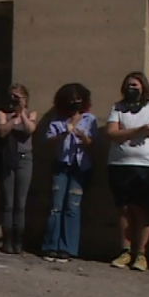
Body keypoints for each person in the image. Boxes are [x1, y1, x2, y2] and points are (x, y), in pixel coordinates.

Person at [106, 72, 149, 271]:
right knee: (124, 209)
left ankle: (141, 254)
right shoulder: (117, 108)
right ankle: (125, 251)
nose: (130, 89)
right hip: (120, 164)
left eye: (134, 85)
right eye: (127, 85)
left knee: (143, 209)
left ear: (143, 87)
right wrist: (138, 130)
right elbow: (112, 133)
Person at [42, 84, 97, 263]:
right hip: (61, 165)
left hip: (80, 167)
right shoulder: (57, 120)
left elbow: (93, 145)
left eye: (77, 99)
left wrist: (83, 137)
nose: (74, 103)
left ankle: (68, 248)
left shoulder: (89, 119)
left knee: (72, 207)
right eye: (71, 100)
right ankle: (51, 246)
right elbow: (48, 142)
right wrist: (65, 132)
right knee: (56, 206)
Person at [0, 84, 37, 254]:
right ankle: (7, 240)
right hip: (8, 160)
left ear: (25, 99)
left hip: (25, 160)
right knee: (8, 203)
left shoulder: (31, 114)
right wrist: (13, 118)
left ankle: (18, 240)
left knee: (20, 203)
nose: (14, 100)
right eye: (12, 96)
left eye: (17, 97)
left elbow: (30, 129)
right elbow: (1, 131)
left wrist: (22, 114)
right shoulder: (3, 114)